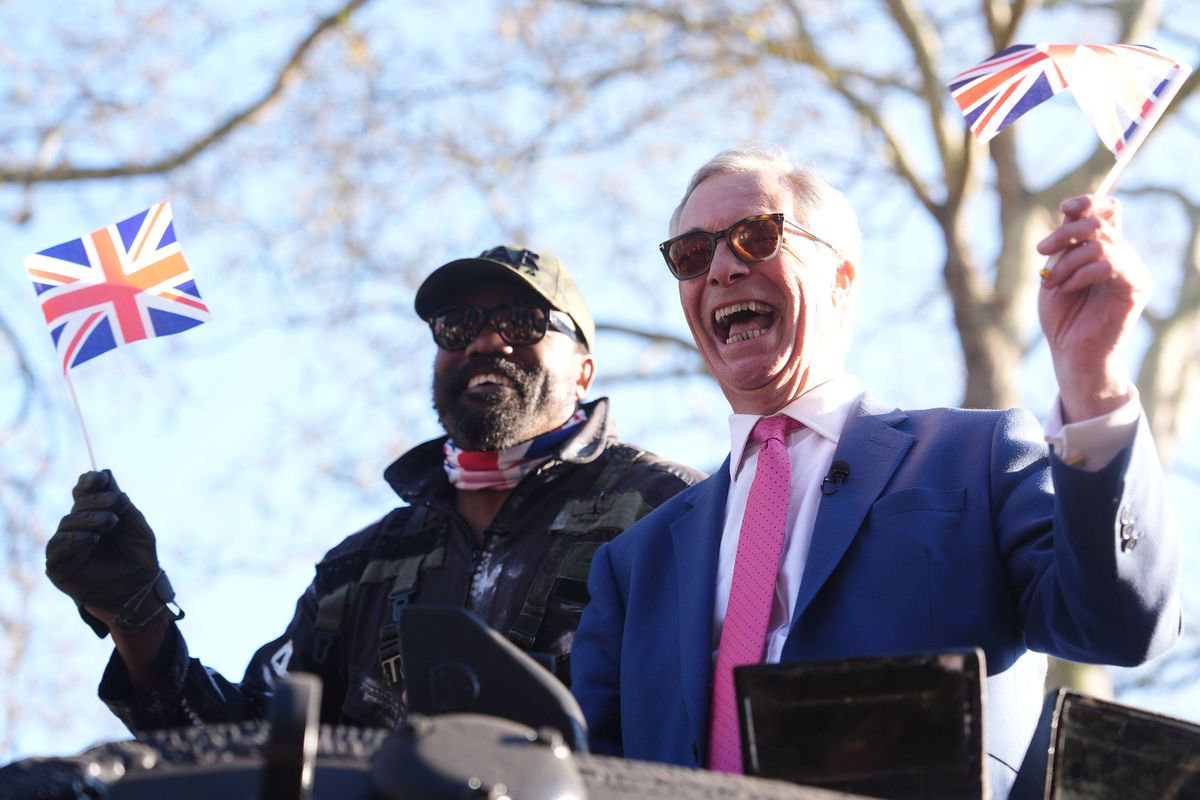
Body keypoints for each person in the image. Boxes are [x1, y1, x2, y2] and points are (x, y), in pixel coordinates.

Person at [570, 145, 1182, 797]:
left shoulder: (976, 455)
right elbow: (591, 772)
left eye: (755, 237)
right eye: (692, 254)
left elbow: (1120, 621)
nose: (721, 268)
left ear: (841, 278)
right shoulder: (634, 563)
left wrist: (1094, 377)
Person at [46, 245, 704, 733]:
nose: (485, 340)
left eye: (524, 321)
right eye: (456, 326)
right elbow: (243, 756)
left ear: (584, 368)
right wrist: (137, 619)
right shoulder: (361, 569)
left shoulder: (674, 511)